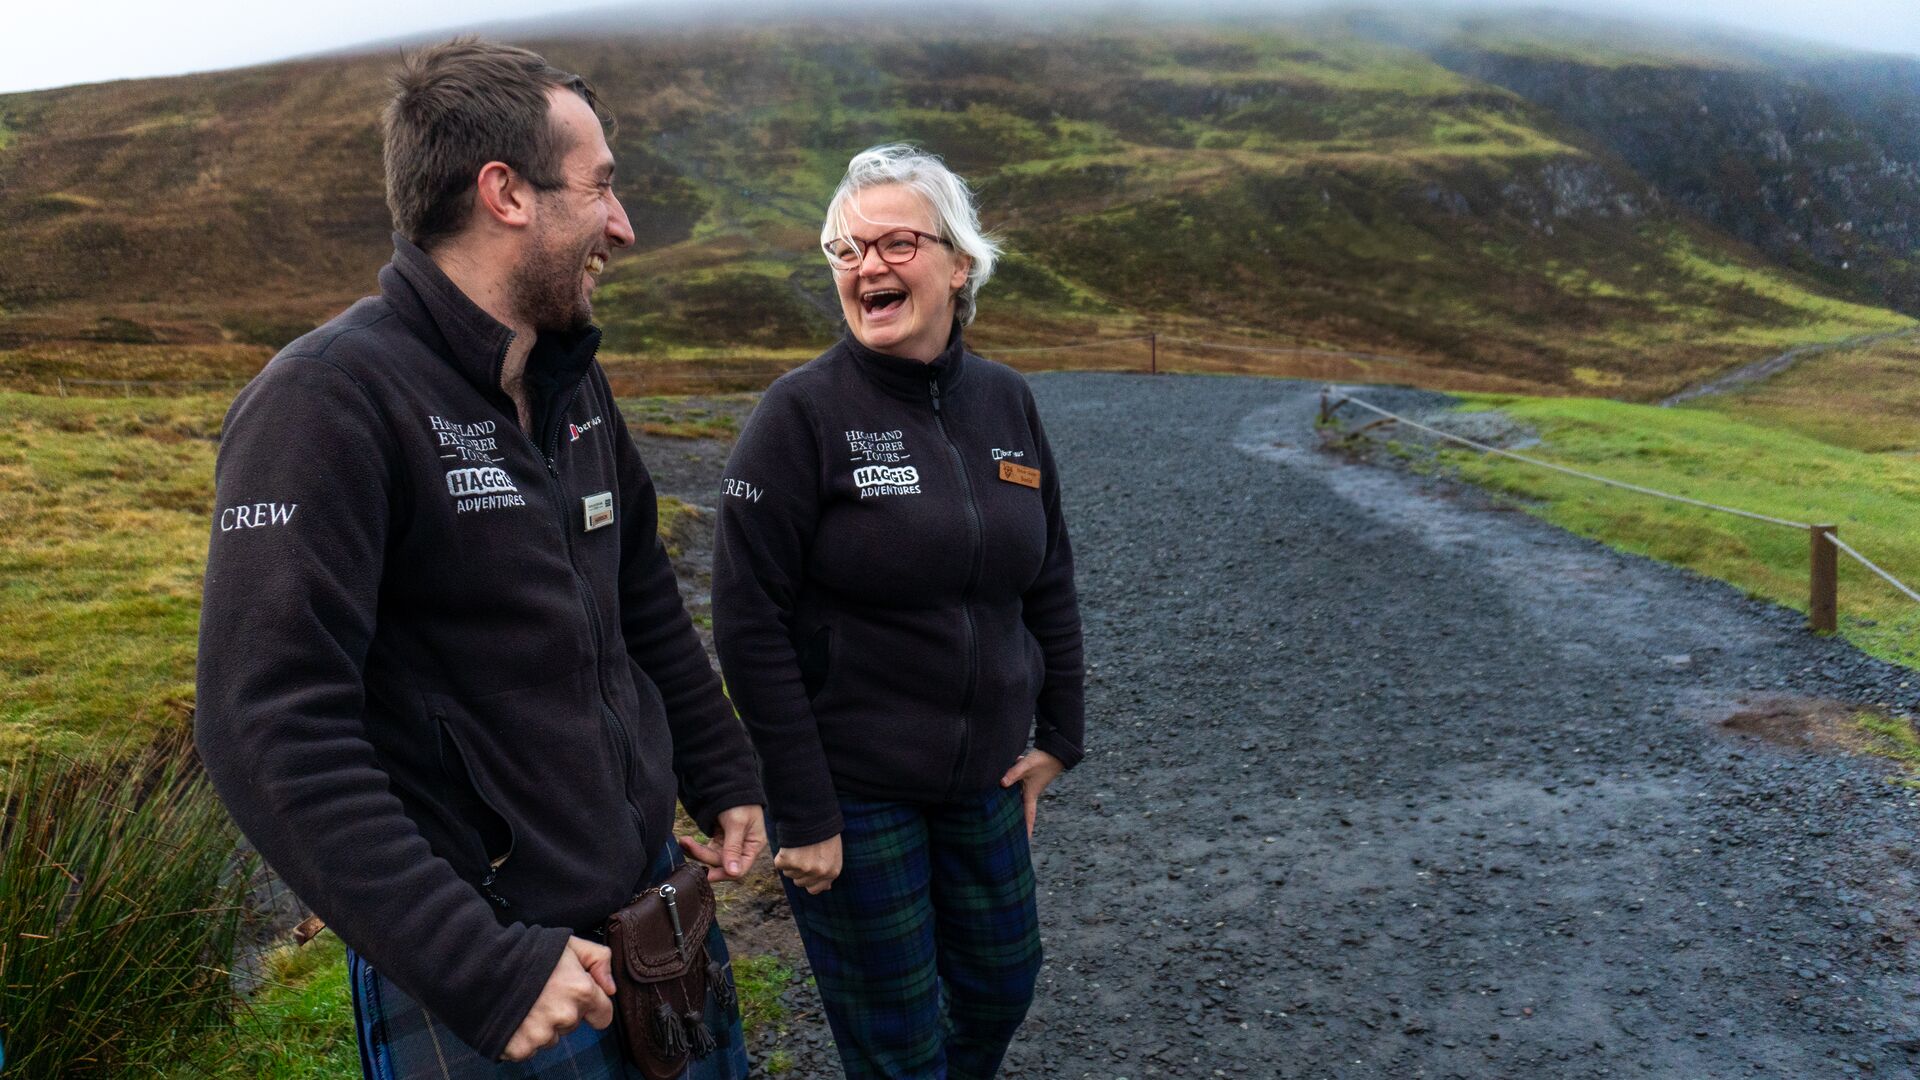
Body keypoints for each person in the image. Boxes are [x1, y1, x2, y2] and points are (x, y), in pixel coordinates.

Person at [194, 39, 765, 1077]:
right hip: (496, 964)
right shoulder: (326, 402)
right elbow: (264, 723)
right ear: (505, 193)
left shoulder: (569, 385)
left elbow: (641, 600)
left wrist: (721, 770)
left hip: (655, 918)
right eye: (601, 188)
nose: (622, 226)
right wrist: (478, 964)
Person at [712, 144, 1086, 1078]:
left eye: (895, 243)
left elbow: (1047, 577)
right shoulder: (797, 417)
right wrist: (804, 811)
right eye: (846, 250)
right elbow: (748, 626)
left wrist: (1060, 737)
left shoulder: (1006, 400)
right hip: (856, 791)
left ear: (960, 266)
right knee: (896, 1039)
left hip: (985, 781)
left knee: (1004, 984)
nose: (867, 266)